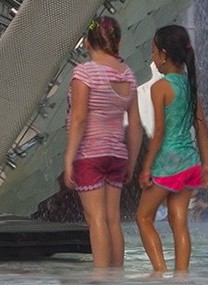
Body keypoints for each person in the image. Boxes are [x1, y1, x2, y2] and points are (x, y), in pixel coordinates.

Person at [63, 16, 142, 268]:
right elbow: (135, 126)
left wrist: (69, 158)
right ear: (118, 42)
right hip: (116, 155)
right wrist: (131, 162)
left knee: (95, 218)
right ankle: (116, 275)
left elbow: (79, 118)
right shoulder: (127, 75)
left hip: (90, 154)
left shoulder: (84, 72)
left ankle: (100, 276)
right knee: (113, 220)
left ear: (87, 42)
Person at [136, 24, 208, 274]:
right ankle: (181, 277)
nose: (153, 59)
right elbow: (202, 128)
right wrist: (206, 166)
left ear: (164, 54)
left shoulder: (160, 88)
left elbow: (159, 132)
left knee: (143, 218)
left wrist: (146, 167)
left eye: (154, 52)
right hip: (190, 163)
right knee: (178, 222)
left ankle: (159, 272)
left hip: (168, 163)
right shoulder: (190, 86)